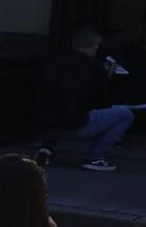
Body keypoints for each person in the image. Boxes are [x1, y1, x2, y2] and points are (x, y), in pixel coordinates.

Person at [36, 26, 132, 171]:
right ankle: (95, 158)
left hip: (44, 124)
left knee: (58, 105)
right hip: (74, 125)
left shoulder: (54, 61)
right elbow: (101, 101)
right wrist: (107, 76)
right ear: (95, 46)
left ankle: (46, 148)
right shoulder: (94, 66)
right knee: (125, 114)